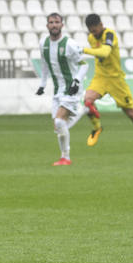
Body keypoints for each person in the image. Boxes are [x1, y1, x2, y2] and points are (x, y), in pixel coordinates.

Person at [82, 13, 133, 154]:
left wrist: (83, 50)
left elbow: (104, 52)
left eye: (95, 30)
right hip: (100, 77)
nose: (93, 34)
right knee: (87, 101)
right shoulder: (91, 38)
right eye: (91, 31)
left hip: (116, 80)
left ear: (101, 25)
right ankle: (97, 128)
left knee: (130, 112)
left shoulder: (110, 35)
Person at [35, 12, 93, 166]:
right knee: (58, 127)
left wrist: (76, 81)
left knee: (60, 122)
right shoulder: (43, 44)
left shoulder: (70, 44)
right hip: (58, 90)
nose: (54, 25)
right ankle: (84, 110)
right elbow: (44, 65)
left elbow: (84, 65)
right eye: (51, 22)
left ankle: (65, 157)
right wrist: (42, 84)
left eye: (57, 22)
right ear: (47, 25)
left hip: (72, 89)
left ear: (62, 25)